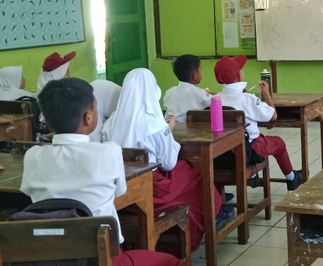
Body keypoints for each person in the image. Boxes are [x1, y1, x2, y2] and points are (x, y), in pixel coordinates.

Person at [20, 77, 181, 266]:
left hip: (51, 257)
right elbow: (120, 191)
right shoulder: (109, 152)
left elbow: (28, 192)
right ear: (88, 117)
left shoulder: (33, 156)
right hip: (101, 257)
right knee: (170, 262)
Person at [102, 68, 217, 251]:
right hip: (152, 189)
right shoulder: (154, 123)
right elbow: (169, 162)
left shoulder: (111, 121)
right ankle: (187, 236)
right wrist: (168, 132)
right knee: (194, 176)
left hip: (120, 190)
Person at [213, 55, 303, 191]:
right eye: (241, 70)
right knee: (278, 142)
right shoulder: (247, 99)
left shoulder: (215, 99)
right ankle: (291, 178)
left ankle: (253, 175)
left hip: (223, 152)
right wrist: (266, 93)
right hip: (250, 148)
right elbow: (273, 116)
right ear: (238, 76)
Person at [164, 54, 213, 122]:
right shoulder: (198, 93)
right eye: (200, 70)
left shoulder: (169, 92)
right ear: (194, 76)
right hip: (189, 130)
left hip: (171, 129)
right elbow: (215, 101)